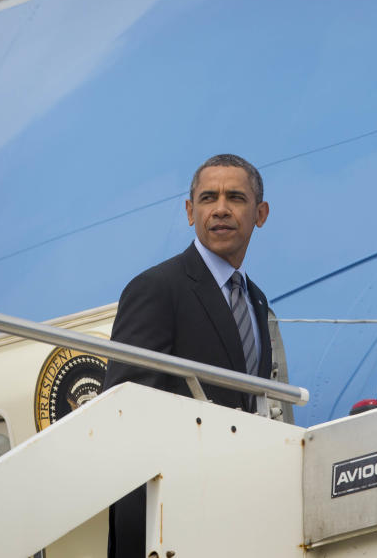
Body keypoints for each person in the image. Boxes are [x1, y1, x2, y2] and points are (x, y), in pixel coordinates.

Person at [102, 153, 272, 558]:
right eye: (208, 198)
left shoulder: (257, 302)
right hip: (167, 517)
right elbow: (125, 409)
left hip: (234, 511)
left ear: (260, 213)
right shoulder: (157, 288)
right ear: (189, 210)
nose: (221, 209)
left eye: (236, 198)